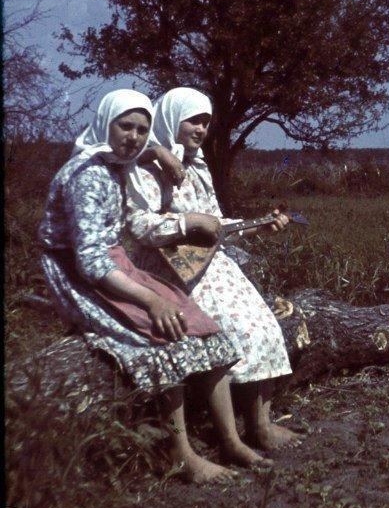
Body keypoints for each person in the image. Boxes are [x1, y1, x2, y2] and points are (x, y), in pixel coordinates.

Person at [39, 89, 271, 482]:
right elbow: (90, 262)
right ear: (105, 124)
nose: (133, 137)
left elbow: (138, 151)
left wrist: (160, 151)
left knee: (200, 323)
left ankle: (230, 440)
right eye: (125, 126)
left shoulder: (114, 160)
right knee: (162, 335)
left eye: (142, 130)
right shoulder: (87, 175)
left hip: (114, 263)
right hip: (80, 273)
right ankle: (180, 453)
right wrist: (150, 300)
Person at [126, 87, 298, 453]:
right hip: (170, 268)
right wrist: (186, 223)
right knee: (233, 329)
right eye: (193, 120)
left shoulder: (197, 166)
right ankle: (229, 434)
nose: (202, 129)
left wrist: (258, 225)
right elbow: (139, 226)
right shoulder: (145, 165)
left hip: (210, 263)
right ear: (172, 118)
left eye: (206, 122)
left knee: (264, 325)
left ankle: (260, 424)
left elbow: (216, 223)